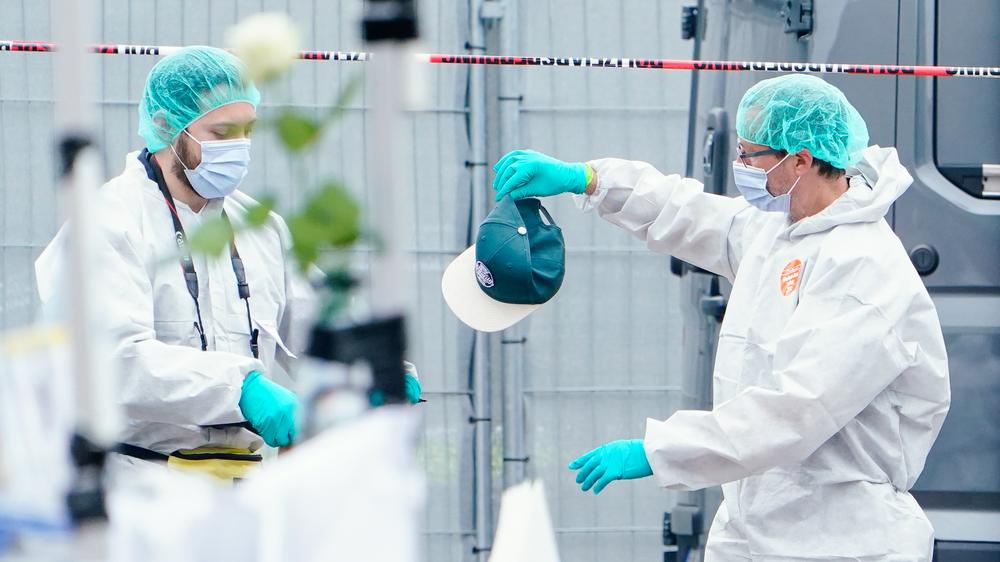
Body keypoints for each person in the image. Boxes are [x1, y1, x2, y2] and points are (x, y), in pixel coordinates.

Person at [493, 74, 950, 560]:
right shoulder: (782, 230)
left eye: (751, 155)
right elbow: (689, 213)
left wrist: (658, 451)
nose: (739, 167)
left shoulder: (863, 268)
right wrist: (588, 179)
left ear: (800, 159)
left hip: (841, 540)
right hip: (758, 528)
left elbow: (796, 411)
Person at [35, 46, 421, 480]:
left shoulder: (261, 228)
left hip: (245, 485)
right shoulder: (108, 222)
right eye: (221, 133)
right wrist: (243, 387)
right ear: (164, 126)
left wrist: (374, 370)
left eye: (247, 130)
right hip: (138, 486)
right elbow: (111, 361)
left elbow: (315, 329)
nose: (239, 147)